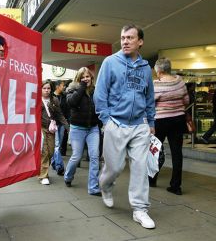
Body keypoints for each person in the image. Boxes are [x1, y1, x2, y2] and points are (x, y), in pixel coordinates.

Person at [94, 24, 156, 229]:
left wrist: (151, 123)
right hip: (116, 123)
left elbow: (149, 98)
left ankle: (140, 209)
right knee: (115, 167)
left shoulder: (146, 68)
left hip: (139, 125)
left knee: (140, 167)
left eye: (130, 38)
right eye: (122, 38)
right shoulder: (110, 62)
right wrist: (106, 121)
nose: (125, 41)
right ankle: (105, 185)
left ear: (140, 41)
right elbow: (100, 94)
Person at [149, 57, 189, 195]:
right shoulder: (180, 82)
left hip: (160, 121)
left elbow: (149, 104)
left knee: (155, 150)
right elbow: (186, 100)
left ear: (159, 71)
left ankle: (152, 180)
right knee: (177, 153)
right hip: (178, 120)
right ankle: (176, 186)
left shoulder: (157, 85)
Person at [64, 67, 101, 196]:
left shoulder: (95, 91)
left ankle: (93, 187)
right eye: (83, 77)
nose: (86, 79)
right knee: (77, 156)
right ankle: (68, 176)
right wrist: (81, 87)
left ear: (91, 77)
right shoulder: (72, 89)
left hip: (93, 129)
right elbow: (71, 103)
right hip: (77, 129)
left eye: (88, 76)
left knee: (95, 156)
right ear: (79, 79)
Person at [40, 80, 69, 185]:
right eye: (44, 88)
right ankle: (44, 175)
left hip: (51, 128)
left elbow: (59, 114)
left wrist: (67, 126)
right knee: (44, 151)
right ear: (41, 89)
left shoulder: (54, 100)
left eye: (48, 88)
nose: (47, 90)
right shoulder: (36, 100)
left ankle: (40, 168)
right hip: (40, 128)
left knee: (51, 151)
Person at [51, 80, 69, 176]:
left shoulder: (64, 96)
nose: (64, 87)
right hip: (54, 124)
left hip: (62, 123)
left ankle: (53, 162)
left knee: (59, 144)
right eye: (63, 85)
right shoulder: (51, 97)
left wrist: (66, 121)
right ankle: (59, 166)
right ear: (57, 86)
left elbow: (67, 109)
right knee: (57, 145)